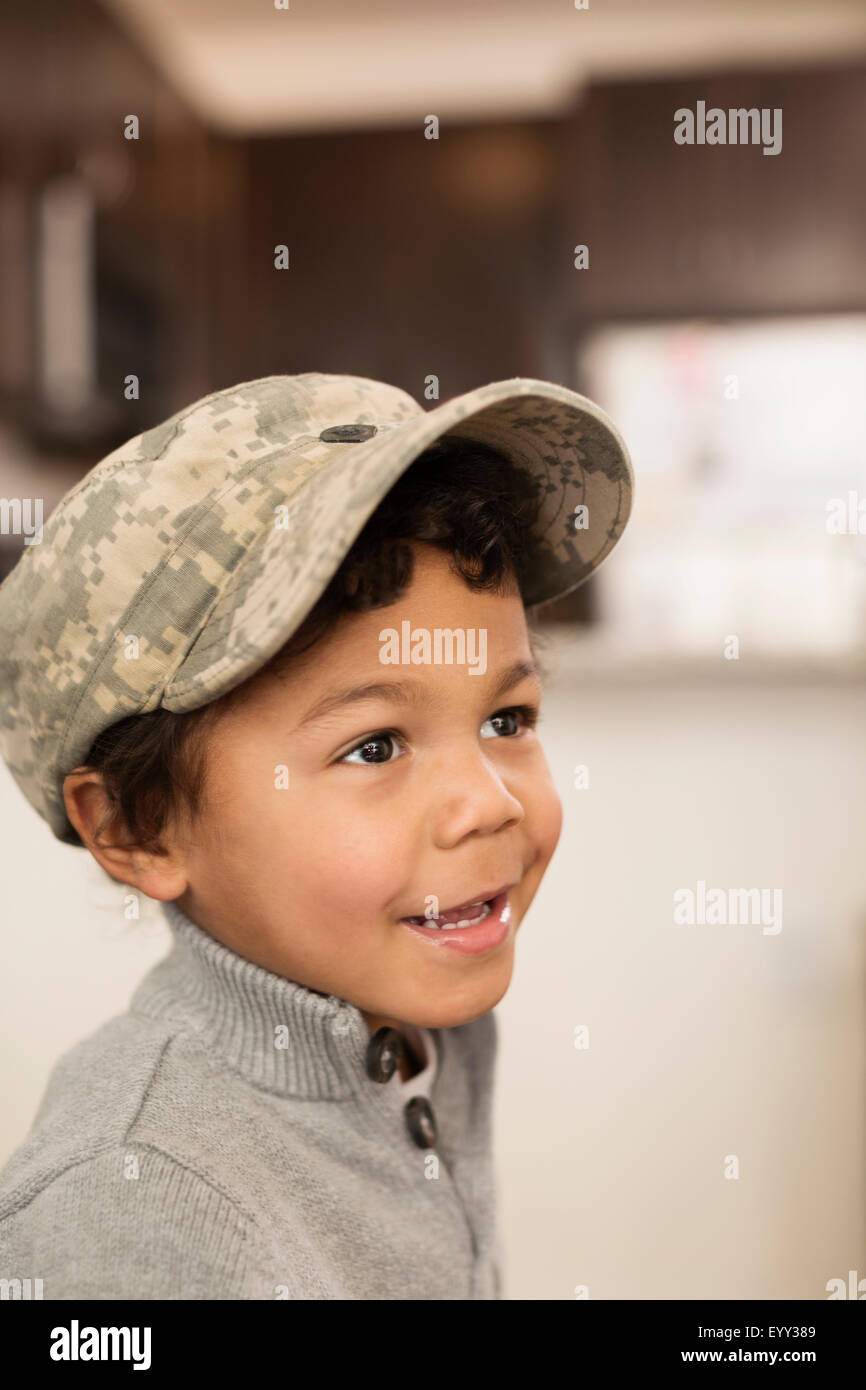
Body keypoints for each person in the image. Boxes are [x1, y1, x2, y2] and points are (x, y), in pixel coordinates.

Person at [0, 372, 633, 1298]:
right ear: (139, 826)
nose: (491, 803)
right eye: (376, 745)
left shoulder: (416, 1027)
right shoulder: (130, 1209)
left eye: (508, 718)